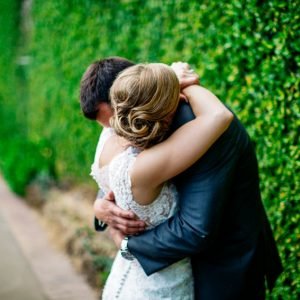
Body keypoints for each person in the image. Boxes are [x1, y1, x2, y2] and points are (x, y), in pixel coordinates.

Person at [80, 57, 283, 299]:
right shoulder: (136, 120)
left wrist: (127, 246)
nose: (119, 132)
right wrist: (101, 205)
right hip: (167, 267)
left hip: (222, 264)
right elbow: (120, 168)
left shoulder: (204, 129)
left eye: (118, 120)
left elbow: (194, 229)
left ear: (133, 93)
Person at [88, 62, 232, 299]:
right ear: (164, 113)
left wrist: (98, 205)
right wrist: (183, 80)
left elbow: (105, 188)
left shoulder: (108, 137)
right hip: (159, 288)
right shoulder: (146, 167)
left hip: (126, 279)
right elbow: (219, 115)